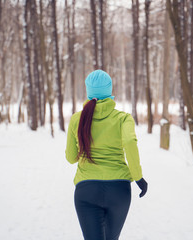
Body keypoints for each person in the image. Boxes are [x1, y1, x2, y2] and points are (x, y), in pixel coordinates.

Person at [65, 69, 148, 240]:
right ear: (109, 91)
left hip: (86, 190)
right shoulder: (123, 119)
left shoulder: (77, 119)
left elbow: (71, 158)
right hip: (118, 191)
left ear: (88, 91)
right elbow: (130, 142)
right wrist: (138, 177)